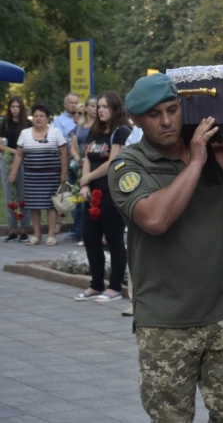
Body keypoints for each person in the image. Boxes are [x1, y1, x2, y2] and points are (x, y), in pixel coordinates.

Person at [108, 73, 223, 422]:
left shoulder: (211, 153)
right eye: (154, 114)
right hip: (165, 323)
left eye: (172, 109)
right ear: (136, 120)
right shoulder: (128, 165)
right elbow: (156, 220)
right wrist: (194, 163)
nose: (166, 121)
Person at [73, 92, 131, 302]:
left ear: (115, 109)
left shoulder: (121, 132)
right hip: (91, 194)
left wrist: (87, 177)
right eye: (99, 106)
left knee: (114, 239)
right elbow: (87, 157)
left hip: (111, 193)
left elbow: (113, 163)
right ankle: (96, 284)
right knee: (90, 239)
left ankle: (115, 287)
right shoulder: (94, 132)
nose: (100, 110)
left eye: (105, 106)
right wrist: (85, 183)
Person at [9, 104, 68, 246]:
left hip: (51, 175)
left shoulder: (55, 132)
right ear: (32, 118)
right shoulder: (25, 133)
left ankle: (51, 235)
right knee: (34, 205)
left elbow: (64, 153)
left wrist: (64, 173)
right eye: (36, 116)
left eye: (42, 116)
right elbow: (18, 154)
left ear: (47, 118)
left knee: (50, 205)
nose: (38, 119)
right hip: (31, 176)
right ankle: (36, 235)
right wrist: (14, 171)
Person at [1, 96, 32, 241]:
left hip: (24, 161)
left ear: (21, 108)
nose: (14, 109)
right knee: (9, 195)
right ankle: (12, 229)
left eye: (17, 106)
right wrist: (15, 152)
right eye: (12, 106)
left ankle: (24, 229)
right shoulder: (5, 124)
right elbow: (1, 145)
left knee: (23, 194)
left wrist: (17, 153)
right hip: (7, 159)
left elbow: (29, 146)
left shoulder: (28, 124)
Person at [68, 96, 98, 244]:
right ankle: (78, 232)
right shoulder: (79, 126)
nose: (95, 109)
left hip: (94, 165)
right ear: (86, 108)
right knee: (78, 202)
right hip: (78, 166)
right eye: (92, 106)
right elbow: (72, 145)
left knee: (91, 200)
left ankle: (89, 234)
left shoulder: (100, 125)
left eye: (97, 106)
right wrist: (77, 159)